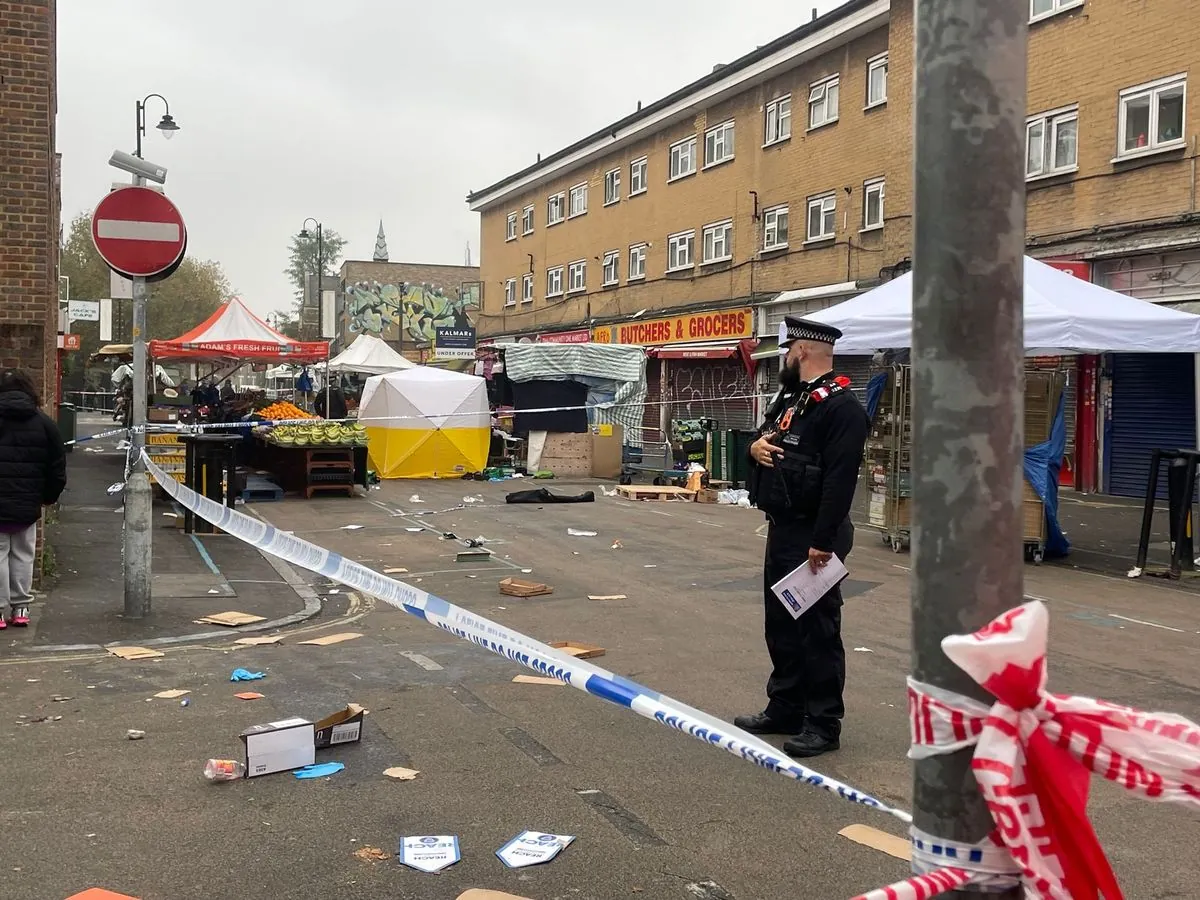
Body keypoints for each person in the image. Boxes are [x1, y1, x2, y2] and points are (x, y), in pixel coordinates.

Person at [734, 317, 869, 758]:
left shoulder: (841, 407)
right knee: (781, 622)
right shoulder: (795, 398)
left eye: (789, 349)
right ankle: (785, 707)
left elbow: (840, 481)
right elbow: (763, 439)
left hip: (815, 533)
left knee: (817, 630)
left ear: (805, 351)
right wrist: (754, 449)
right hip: (784, 526)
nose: (785, 357)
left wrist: (824, 541)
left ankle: (823, 722)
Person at [0, 369, 67, 629]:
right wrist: (48, 497)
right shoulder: (45, 423)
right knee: (23, 554)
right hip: (28, 504)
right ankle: (21, 608)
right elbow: (57, 467)